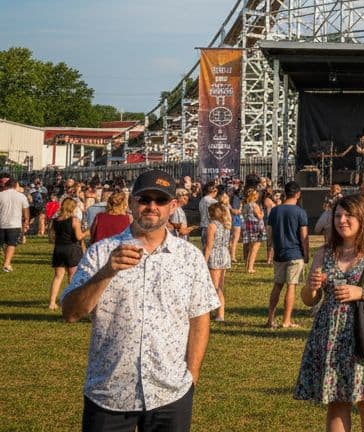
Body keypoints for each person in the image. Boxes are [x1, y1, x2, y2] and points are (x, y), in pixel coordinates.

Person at [60, 169, 219, 430]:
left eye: (160, 200)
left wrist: (192, 376)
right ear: (132, 202)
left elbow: (199, 318)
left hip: (170, 392)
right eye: (145, 199)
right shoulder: (102, 252)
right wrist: (107, 271)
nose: (152, 207)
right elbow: (70, 313)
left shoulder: (189, 257)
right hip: (109, 392)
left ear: (173, 206)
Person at [295, 195, 364, 432]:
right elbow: (308, 300)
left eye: (348, 216)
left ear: (362, 218)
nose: (342, 221)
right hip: (330, 337)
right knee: (336, 401)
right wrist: (311, 287)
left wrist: (361, 292)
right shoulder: (325, 252)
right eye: (337, 216)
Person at [266, 181, 310, 329]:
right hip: (295, 253)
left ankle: (270, 319)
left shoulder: (275, 211)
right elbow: (304, 236)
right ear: (298, 194)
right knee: (291, 286)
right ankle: (286, 320)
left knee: (277, 286)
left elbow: (270, 234)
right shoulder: (300, 212)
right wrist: (306, 254)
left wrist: (270, 251)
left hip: (279, 253)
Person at [47, 196, 85, 309]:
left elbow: (52, 236)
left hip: (59, 249)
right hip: (72, 249)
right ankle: (71, 301)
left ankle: (52, 302)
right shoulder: (74, 220)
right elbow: (79, 236)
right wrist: (87, 232)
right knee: (72, 277)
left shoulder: (56, 220)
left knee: (58, 276)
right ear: (73, 208)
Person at [204, 202, 232, 321]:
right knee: (220, 286)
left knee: (214, 286)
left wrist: (204, 260)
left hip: (215, 255)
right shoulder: (225, 225)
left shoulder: (212, 225)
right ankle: (220, 313)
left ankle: (214, 313)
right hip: (225, 254)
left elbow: (209, 245)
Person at [0, 176, 30, 272]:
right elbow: (26, 211)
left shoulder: (1, 195)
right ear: (15, 185)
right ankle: (7, 263)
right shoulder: (21, 196)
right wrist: (26, 221)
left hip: (1, 223)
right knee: (11, 244)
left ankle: (6, 262)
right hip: (14, 224)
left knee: (2, 244)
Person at [239, 188, 265, 273]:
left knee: (250, 248)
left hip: (248, 226)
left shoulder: (246, 205)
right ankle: (250, 268)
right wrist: (262, 213)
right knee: (255, 248)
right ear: (254, 196)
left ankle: (247, 266)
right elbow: (259, 216)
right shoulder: (255, 205)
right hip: (256, 227)